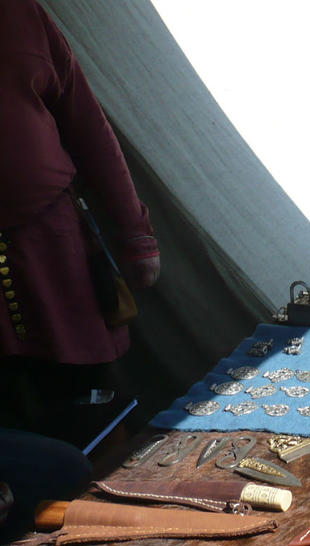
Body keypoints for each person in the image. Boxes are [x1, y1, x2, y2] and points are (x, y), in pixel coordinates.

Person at [0, 0, 160, 450]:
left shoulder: (20, 12)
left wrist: (136, 233)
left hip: (53, 249)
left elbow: (84, 119)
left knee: (96, 415)